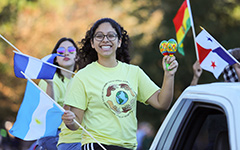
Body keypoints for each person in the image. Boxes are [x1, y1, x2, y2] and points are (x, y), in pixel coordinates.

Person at [61, 18, 178, 150]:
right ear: (92, 43)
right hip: (97, 145)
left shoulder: (134, 72)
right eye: (99, 36)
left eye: (111, 35)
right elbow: (76, 123)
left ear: (119, 42)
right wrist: (70, 120)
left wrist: (169, 75)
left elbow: (162, 103)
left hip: (128, 147)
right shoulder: (83, 76)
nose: (105, 40)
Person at [34, 37, 82, 150]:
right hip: (54, 135)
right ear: (55, 59)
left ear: (77, 56)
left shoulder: (77, 80)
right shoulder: (50, 80)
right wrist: (50, 85)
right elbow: (47, 110)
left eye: (70, 50)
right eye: (60, 52)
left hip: (73, 135)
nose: (66, 53)